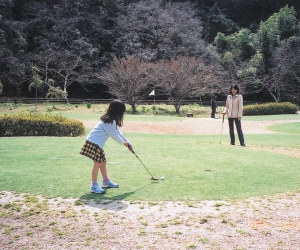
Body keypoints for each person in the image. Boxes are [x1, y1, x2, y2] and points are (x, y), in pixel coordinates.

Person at [80, 99, 133, 194]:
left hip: (96, 143)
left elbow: (118, 132)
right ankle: (94, 186)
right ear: (117, 111)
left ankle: (105, 181)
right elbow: (114, 135)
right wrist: (125, 144)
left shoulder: (111, 120)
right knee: (97, 163)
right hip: (93, 142)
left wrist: (128, 142)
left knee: (103, 162)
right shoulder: (108, 121)